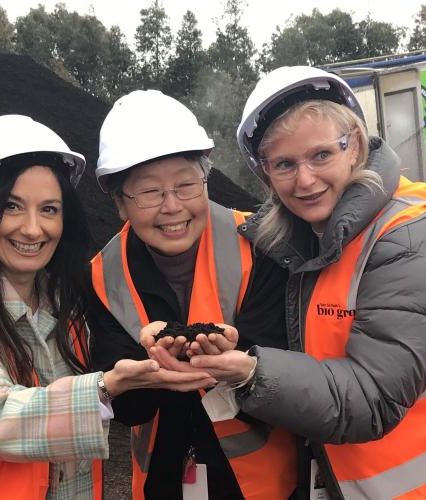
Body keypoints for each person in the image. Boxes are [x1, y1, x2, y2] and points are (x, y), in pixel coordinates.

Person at [154, 66, 426, 499]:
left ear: (356, 147)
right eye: (285, 164)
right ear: (265, 174)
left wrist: (252, 371)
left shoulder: (410, 244)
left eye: (321, 155)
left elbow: (371, 399)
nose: (305, 179)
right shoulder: (310, 243)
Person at [0, 115, 215, 500]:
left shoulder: (68, 304)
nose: (32, 229)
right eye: (11, 207)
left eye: (49, 209)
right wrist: (105, 386)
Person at [86, 90, 298, 499]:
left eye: (186, 184)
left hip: (261, 484)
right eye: (149, 192)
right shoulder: (101, 276)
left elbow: (287, 363)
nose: (172, 206)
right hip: (164, 481)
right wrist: (143, 373)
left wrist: (240, 357)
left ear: (205, 180)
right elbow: (128, 410)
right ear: (119, 204)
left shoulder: (258, 245)